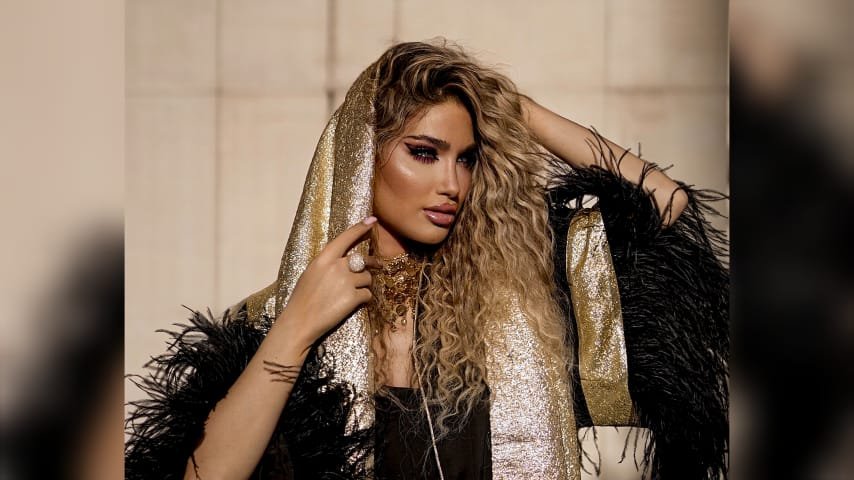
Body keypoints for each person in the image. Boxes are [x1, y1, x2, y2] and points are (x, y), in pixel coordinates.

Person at [126, 41, 728, 480]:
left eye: (466, 158)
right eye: (423, 152)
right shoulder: (276, 320)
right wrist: (295, 329)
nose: (452, 184)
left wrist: (514, 109)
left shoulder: (514, 313)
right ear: (362, 156)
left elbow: (663, 201)